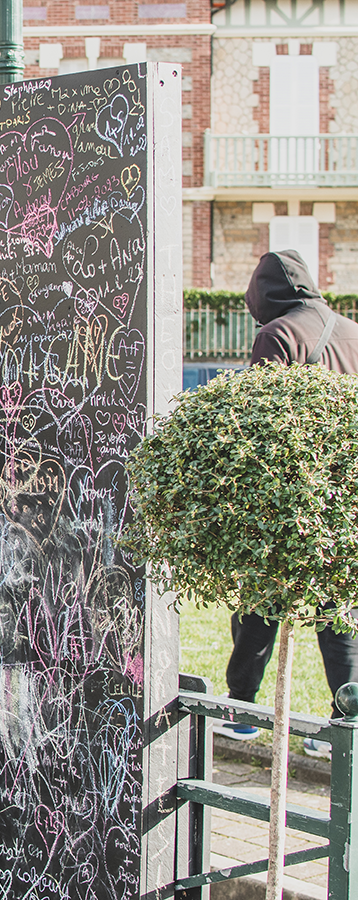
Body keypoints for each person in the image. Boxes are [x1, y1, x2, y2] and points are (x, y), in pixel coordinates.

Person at [214, 249, 358, 759]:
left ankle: (243, 714)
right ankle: (345, 727)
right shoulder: (351, 332)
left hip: (287, 501)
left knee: (258, 606)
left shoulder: (279, 335)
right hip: (342, 502)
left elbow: (259, 425)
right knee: (339, 613)